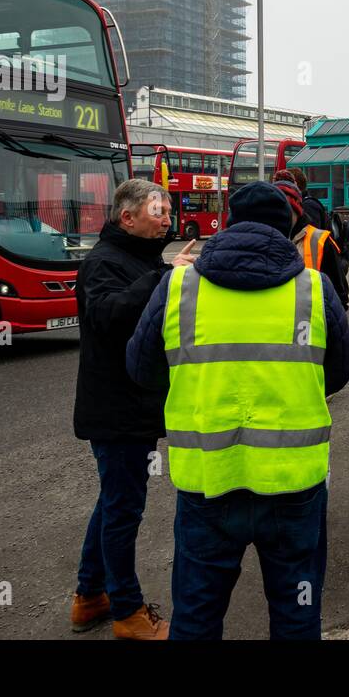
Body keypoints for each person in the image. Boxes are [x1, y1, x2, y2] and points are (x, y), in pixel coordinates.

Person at [126, 182, 349, 640]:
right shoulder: (314, 288)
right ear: (287, 231)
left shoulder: (178, 286)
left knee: (195, 615)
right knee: (296, 614)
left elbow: (141, 368)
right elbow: (340, 370)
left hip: (209, 482)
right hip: (293, 484)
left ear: (228, 224)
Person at [72, 178, 197, 640]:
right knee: (124, 509)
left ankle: (90, 596)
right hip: (116, 408)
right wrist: (164, 277)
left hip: (134, 404)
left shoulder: (140, 258)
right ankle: (127, 612)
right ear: (127, 217)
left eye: (167, 210)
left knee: (114, 501)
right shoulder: (103, 262)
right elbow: (107, 314)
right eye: (157, 210)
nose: (167, 218)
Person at [273, 173, 349, 310]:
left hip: (309, 320)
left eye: (286, 210)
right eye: (274, 211)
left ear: (297, 210)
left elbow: (340, 295)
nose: (281, 216)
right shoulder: (264, 240)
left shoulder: (319, 241)